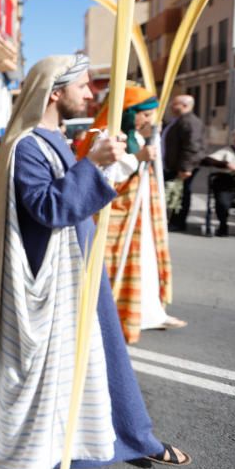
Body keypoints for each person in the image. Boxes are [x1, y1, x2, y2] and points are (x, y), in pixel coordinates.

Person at [0, 55, 189, 469]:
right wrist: (92, 163)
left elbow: (78, 194)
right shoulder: (26, 145)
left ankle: (127, 434)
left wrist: (104, 162)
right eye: (83, 86)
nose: (91, 93)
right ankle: (96, 440)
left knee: (100, 358)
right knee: (64, 366)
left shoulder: (55, 137)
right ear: (55, 94)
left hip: (79, 267)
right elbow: (50, 208)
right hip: (53, 279)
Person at [80, 86, 185, 344]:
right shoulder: (105, 135)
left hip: (139, 214)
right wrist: (138, 157)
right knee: (116, 266)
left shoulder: (135, 135)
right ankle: (112, 319)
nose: (149, 120)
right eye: (144, 114)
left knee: (146, 263)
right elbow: (105, 174)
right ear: (128, 111)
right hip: (116, 215)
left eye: (151, 115)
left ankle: (148, 313)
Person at [161, 94, 204, 231]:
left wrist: (185, 168)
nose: (171, 107)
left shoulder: (189, 121)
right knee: (173, 194)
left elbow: (192, 146)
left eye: (175, 104)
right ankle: (171, 220)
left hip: (182, 167)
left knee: (180, 195)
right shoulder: (178, 120)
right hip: (173, 165)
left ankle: (178, 222)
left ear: (184, 106)